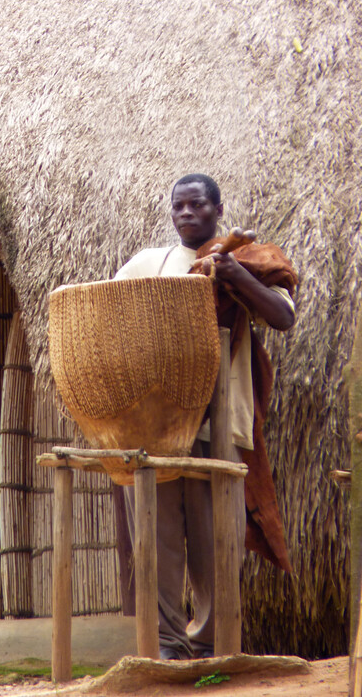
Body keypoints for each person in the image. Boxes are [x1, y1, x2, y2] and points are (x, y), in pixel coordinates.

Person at [114, 173, 296, 660]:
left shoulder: (241, 260)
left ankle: (214, 644)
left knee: (219, 540)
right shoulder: (149, 264)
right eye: (178, 206)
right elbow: (111, 314)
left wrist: (235, 278)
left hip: (219, 425)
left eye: (196, 205)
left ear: (217, 209)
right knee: (158, 541)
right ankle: (168, 646)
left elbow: (283, 316)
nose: (186, 214)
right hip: (157, 425)